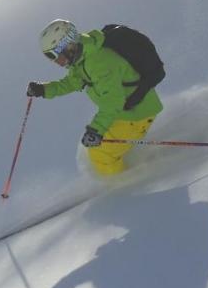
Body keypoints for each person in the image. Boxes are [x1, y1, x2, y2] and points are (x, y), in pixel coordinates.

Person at [26, 19, 163, 176]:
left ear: (67, 46)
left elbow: (113, 103)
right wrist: (44, 90)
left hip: (136, 114)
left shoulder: (99, 62)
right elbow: (72, 82)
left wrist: (96, 131)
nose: (56, 62)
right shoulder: (83, 58)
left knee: (100, 154)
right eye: (50, 58)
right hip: (125, 112)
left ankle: (125, 186)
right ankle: (127, 175)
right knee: (99, 151)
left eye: (54, 55)